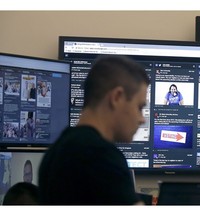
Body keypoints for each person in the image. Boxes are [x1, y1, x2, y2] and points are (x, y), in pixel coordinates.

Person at [38, 55, 150, 205]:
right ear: (117, 97)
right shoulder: (102, 156)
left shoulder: (54, 154)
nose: (142, 119)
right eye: (140, 107)